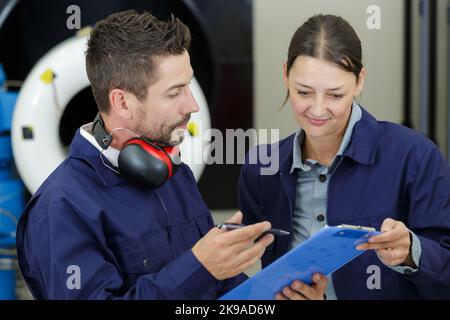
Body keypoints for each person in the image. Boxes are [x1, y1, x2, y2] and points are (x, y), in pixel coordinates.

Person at [15, 10, 275, 300]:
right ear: (122, 102)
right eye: (175, 92)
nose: (192, 105)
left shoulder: (174, 173)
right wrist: (199, 267)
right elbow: (202, 272)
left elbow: (219, 287)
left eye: (188, 86)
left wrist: (271, 297)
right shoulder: (62, 208)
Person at [239, 14, 450, 299]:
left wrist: (413, 251)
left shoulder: (415, 156)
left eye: (335, 95)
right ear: (285, 74)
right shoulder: (261, 170)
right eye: (303, 92)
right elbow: (264, 279)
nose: (317, 109)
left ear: (359, 80)